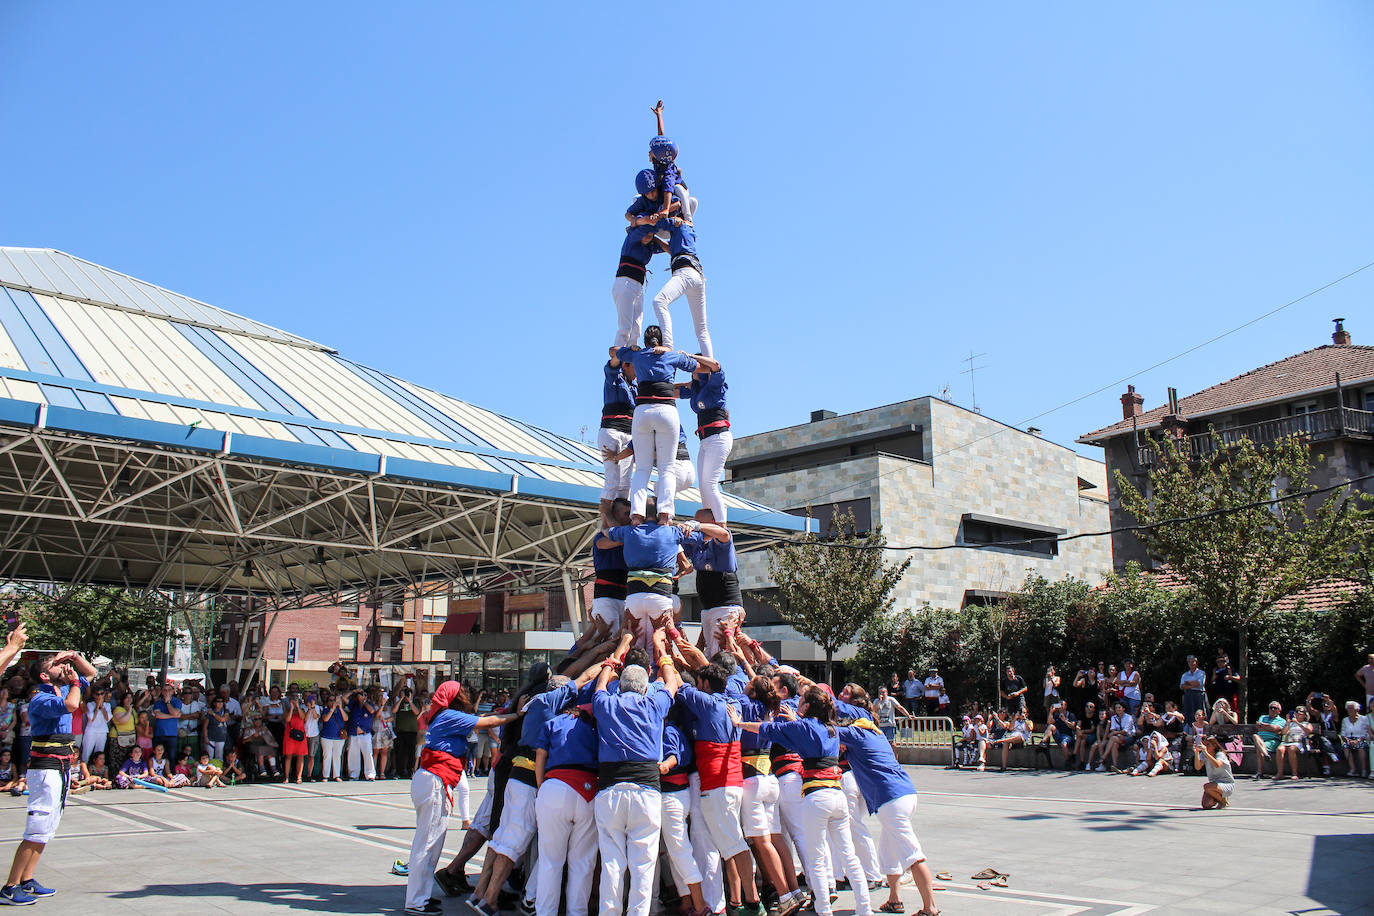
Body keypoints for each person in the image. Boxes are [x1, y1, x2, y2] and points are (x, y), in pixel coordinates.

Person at [735, 686, 874, 916]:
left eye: (801, 702)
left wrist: (739, 723)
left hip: (816, 795)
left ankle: (824, 909)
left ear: (807, 706)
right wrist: (798, 719)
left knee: (817, 855)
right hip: (836, 793)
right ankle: (865, 908)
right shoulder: (831, 728)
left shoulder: (803, 727)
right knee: (848, 854)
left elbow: (768, 729)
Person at [404, 682, 518, 916]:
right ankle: (416, 901)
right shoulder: (449, 715)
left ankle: (421, 897)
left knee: (430, 844)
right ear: (455, 697)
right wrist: (518, 714)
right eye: (462, 692)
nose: (466, 695)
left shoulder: (441, 714)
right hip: (435, 779)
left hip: (431, 779)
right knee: (427, 845)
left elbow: (482, 717)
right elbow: (488, 723)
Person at [2, 635, 96, 907]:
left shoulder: (64, 689)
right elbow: (71, 706)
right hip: (45, 767)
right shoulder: (40, 698)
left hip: (62, 765)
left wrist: (74, 657)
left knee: (48, 827)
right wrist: (75, 681)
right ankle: (10, 885)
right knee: (37, 826)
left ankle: (27, 878)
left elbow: (92, 672)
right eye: (57, 665)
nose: (64, 668)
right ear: (45, 674)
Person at [591, 630, 679, 916]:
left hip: (611, 790)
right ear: (644, 688)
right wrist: (660, 649)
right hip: (646, 791)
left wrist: (618, 654)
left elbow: (601, 685)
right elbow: (672, 683)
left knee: (612, 864)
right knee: (643, 866)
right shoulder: (654, 704)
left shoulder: (606, 703)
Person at [832, 694, 940, 916]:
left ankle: (931, 908)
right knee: (888, 853)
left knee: (912, 854)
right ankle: (894, 900)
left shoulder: (855, 732)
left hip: (891, 800)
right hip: (905, 793)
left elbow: (826, 732)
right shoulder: (875, 731)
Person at [614, 329, 714, 522]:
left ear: (645, 341)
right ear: (662, 340)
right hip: (666, 411)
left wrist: (633, 349)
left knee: (641, 469)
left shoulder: (637, 355)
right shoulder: (671, 355)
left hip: (642, 411)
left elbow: (614, 351)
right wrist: (680, 354)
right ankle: (664, 515)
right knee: (667, 468)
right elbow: (704, 368)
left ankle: (636, 515)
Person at [532, 676, 602, 916]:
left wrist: (542, 787)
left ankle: (545, 912)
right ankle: (577, 912)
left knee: (550, 861)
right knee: (583, 864)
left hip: (554, 787)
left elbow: (540, 756)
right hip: (587, 790)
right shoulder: (594, 727)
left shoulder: (552, 723)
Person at [675, 358, 731, 523]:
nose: (692, 370)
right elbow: (672, 392)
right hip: (705, 441)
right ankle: (710, 524)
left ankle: (722, 527)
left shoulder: (715, 384)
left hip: (718, 438)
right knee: (703, 488)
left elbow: (716, 366)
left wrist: (691, 356)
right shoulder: (696, 388)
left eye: (695, 367)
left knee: (711, 484)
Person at [599, 355, 639, 523]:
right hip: (612, 430)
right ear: (627, 365)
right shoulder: (616, 377)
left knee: (625, 484)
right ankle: (605, 524)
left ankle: (621, 522)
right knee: (613, 479)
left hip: (628, 434)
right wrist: (625, 352)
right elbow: (611, 365)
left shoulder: (636, 386)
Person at [1195, 734, 1235, 809]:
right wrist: (1196, 752)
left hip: (1226, 784)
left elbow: (1217, 764)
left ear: (1214, 746)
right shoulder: (1204, 755)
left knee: (1206, 786)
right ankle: (1219, 797)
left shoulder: (1220, 754)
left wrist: (1206, 753)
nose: (1206, 747)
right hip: (1214, 784)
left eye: (1208, 745)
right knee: (1206, 805)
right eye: (1204, 745)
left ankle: (1223, 802)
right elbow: (1198, 767)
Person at [347, 689, 378, 780]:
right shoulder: (353, 704)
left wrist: (363, 701)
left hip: (365, 734)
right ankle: (353, 774)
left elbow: (372, 711)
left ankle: (370, 774)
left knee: (368, 754)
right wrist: (353, 692)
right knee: (353, 754)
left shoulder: (369, 704)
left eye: (363, 694)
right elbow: (344, 698)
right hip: (354, 734)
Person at [1252, 701, 1286, 778]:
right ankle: (1266, 754)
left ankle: (1259, 773)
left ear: (1279, 711)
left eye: (1275, 708)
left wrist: (1263, 725)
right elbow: (1259, 728)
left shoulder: (1282, 721)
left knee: (1259, 747)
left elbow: (1276, 728)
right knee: (1255, 736)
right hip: (1260, 739)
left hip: (1273, 741)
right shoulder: (1263, 717)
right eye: (1271, 708)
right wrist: (1269, 728)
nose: (1273, 709)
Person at [1099, 702, 1135, 772]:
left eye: (1119, 707)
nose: (1118, 709)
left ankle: (1103, 757)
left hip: (1129, 737)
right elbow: (1112, 728)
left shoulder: (1129, 717)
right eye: (1116, 708)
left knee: (1113, 738)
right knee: (1114, 744)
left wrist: (1115, 733)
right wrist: (1116, 733)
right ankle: (1115, 765)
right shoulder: (1114, 718)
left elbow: (1125, 731)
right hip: (1118, 737)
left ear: (1123, 709)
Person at [319, 692, 348, 781]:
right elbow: (325, 719)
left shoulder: (340, 710)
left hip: (339, 737)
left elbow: (346, 718)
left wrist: (340, 708)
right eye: (331, 700)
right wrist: (332, 710)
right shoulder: (326, 710)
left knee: (337, 755)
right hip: (327, 737)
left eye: (334, 700)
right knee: (327, 755)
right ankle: (326, 775)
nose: (333, 702)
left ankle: (336, 775)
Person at [1340, 701, 1372, 778]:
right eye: (1348, 708)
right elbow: (1343, 733)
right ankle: (1353, 770)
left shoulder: (1364, 719)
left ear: (1357, 709)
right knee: (1345, 746)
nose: (1350, 710)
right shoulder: (1345, 720)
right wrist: (1347, 740)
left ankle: (1364, 770)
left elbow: (1366, 733)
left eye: (1352, 708)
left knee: (1361, 747)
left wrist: (1357, 740)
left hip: (1361, 739)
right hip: (1349, 739)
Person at [282, 695, 309, 784]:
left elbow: (303, 717)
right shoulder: (287, 710)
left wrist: (297, 707)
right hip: (290, 735)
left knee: (300, 756)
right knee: (288, 756)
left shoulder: (302, 710)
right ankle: (286, 777)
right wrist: (291, 708)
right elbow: (287, 719)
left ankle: (299, 777)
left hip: (300, 735)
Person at [80, 688, 111, 764]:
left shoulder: (107, 705)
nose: (100, 696)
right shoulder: (90, 704)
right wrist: (97, 706)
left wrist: (102, 706)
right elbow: (92, 718)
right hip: (91, 731)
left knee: (99, 754)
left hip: (102, 731)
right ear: (94, 695)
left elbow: (107, 718)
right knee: (86, 753)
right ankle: (83, 772)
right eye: (98, 694)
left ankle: (96, 772)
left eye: (102, 694)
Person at [871, 687, 908, 751]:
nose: (882, 694)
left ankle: (895, 760)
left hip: (889, 725)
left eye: (883, 692)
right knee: (879, 744)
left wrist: (908, 715)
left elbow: (899, 707)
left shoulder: (891, 699)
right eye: (880, 692)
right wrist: (879, 701)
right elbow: (873, 710)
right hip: (880, 726)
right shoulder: (876, 701)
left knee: (892, 744)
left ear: (887, 692)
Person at [1179, 656, 1208, 724]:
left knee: (1200, 712)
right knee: (1188, 713)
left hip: (1199, 695)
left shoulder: (1201, 673)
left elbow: (1200, 683)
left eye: (1193, 662)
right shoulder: (1185, 675)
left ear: (1196, 663)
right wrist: (1193, 684)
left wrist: (1188, 683)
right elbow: (1182, 686)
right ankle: (1190, 729)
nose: (1191, 663)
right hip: (1188, 695)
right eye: (1189, 662)